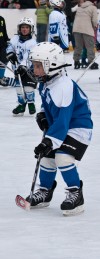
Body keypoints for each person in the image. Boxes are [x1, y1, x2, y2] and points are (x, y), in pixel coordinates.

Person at [27, 42, 93, 216]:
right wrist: (42, 114)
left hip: (79, 127)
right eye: (34, 65)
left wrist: (49, 141)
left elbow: (63, 121)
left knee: (62, 157)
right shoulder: (47, 81)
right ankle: (45, 192)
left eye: (38, 66)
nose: (34, 69)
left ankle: (75, 194)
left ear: (52, 65)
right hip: (62, 125)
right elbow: (48, 103)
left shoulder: (63, 86)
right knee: (47, 158)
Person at [6, 17, 37, 116]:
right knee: (19, 88)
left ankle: (31, 103)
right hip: (16, 68)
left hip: (28, 70)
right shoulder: (15, 39)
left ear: (31, 29)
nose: (24, 29)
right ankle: (21, 105)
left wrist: (23, 66)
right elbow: (9, 47)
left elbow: (29, 57)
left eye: (27, 27)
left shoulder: (32, 43)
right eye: (22, 27)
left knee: (28, 87)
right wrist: (10, 54)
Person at [72, 0, 98, 70]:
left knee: (78, 46)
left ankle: (76, 62)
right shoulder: (93, 8)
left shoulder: (79, 7)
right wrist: (94, 26)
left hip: (76, 29)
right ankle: (91, 62)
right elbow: (94, 20)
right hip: (87, 29)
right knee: (90, 46)